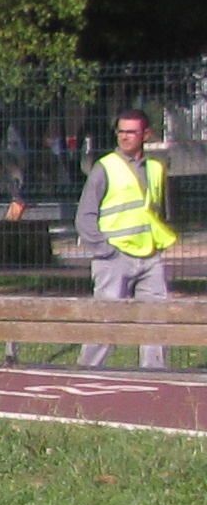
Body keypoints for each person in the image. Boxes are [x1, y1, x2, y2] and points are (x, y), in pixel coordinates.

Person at [72, 109, 174, 370]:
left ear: (146, 134)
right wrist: (106, 251)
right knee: (107, 320)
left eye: (132, 132)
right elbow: (85, 217)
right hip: (114, 258)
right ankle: (86, 372)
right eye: (121, 131)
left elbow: (155, 211)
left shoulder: (155, 168)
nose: (125, 137)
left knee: (156, 319)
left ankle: (155, 377)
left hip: (149, 256)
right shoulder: (104, 167)